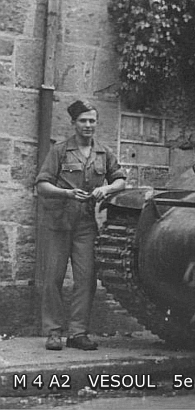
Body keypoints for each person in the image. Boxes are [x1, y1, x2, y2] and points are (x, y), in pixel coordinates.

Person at [35, 100, 126, 351]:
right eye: (83, 120)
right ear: (73, 123)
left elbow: (120, 180)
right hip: (58, 222)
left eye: (92, 120)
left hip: (86, 224)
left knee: (86, 279)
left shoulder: (104, 153)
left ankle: (77, 333)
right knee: (53, 278)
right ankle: (53, 332)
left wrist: (106, 189)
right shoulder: (60, 151)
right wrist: (66, 193)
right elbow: (42, 185)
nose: (88, 125)